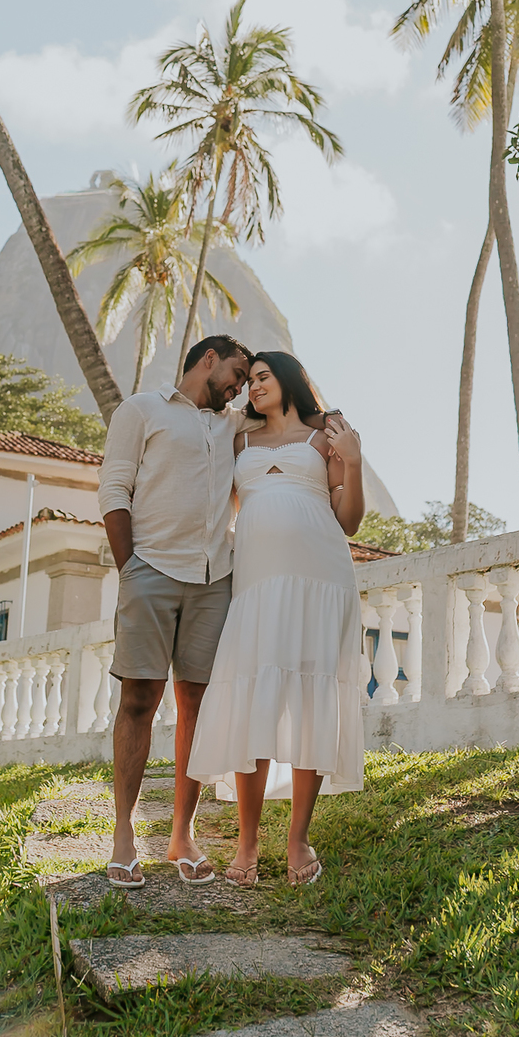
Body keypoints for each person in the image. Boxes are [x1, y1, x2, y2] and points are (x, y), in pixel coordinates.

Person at [186, 350, 365, 887]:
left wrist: (352, 461)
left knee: (310, 704)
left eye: (262, 377)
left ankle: (298, 840)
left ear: (287, 380)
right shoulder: (238, 439)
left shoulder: (322, 436)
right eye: (249, 380)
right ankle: (247, 842)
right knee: (252, 705)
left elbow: (349, 521)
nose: (252, 387)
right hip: (258, 586)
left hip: (321, 579)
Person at [96, 334, 253, 887]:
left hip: (215, 579)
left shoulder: (234, 425)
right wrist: (131, 569)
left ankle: (181, 836)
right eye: (235, 372)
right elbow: (114, 490)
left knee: (198, 708)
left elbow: (293, 418)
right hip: (151, 571)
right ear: (208, 359)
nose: (238, 386)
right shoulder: (141, 410)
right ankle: (124, 833)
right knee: (139, 698)